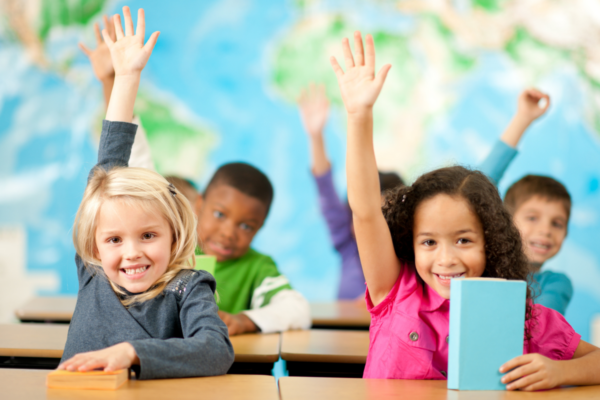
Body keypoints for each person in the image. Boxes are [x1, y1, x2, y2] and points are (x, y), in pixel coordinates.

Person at [330, 30, 600, 390]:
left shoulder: (522, 316)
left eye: (463, 240)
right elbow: (365, 210)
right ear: (410, 243)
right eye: (428, 242)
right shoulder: (395, 289)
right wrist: (359, 115)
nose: (446, 259)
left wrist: (560, 371)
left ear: (491, 240)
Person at [59, 7, 234, 379]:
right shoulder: (94, 272)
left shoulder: (188, 285)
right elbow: (109, 164)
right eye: (114, 239)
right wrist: (122, 77)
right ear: (94, 245)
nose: (132, 252)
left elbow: (217, 349)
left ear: (175, 234)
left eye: (149, 235)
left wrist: (131, 353)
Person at [168, 165, 311, 336]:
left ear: (259, 228)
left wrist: (243, 321)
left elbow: (298, 309)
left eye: (246, 226)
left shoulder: (257, 267)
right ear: (199, 205)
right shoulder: (171, 252)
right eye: (220, 214)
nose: (228, 234)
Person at [298, 83, 403, 300]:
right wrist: (316, 136)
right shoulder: (347, 242)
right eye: (361, 212)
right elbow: (325, 187)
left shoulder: (410, 259)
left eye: (383, 214)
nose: (371, 221)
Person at [479, 89, 573, 315]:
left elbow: (539, 329)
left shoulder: (555, 284)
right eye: (532, 217)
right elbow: (478, 189)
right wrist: (523, 119)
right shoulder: (483, 265)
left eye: (557, 223)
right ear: (505, 222)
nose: (545, 230)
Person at [79, 13, 155, 171]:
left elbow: (124, 165)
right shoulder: (148, 188)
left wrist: (118, 78)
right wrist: (114, 79)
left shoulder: (144, 187)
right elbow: (130, 160)